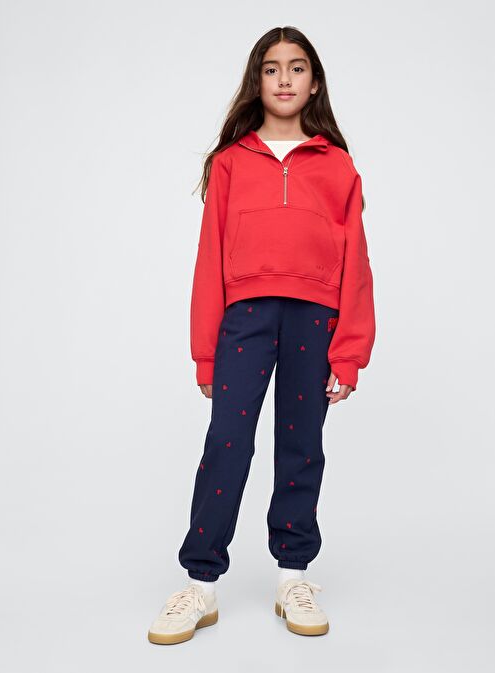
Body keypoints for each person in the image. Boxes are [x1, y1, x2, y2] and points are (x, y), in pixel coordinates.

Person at [148, 25, 376, 645]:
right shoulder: (229, 163)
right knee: (227, 442)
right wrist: (205, 354)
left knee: (301, 445)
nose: (284, 79)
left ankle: (293, 576)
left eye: (297, 68)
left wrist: (350, 351)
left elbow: (357, 262)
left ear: (314, 82)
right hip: (245, 319)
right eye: (272, 68)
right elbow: (209, 259)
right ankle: (200, 584)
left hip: (314, 317)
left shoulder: (337, 165)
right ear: (257, 80)